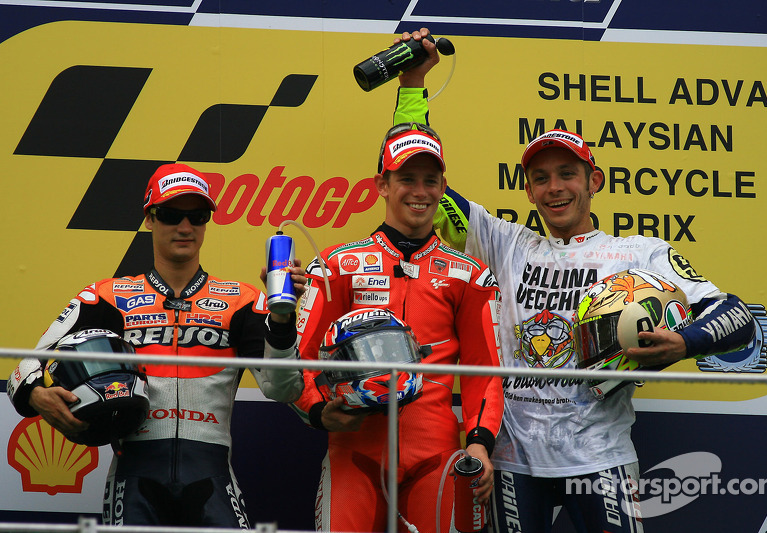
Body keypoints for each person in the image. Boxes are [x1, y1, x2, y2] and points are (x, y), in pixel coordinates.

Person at [393, 29, 756, 533]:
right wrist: (412, 82)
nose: (554, 188)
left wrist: (684, 341)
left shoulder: (638, 252)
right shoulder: (505, 243)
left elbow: (737, 317)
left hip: (601, 456)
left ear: (594, 181)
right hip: (513, 458)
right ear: (528, 191)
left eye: (567, 173)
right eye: (540, 178)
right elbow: (416, 167)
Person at [7, 163, 306, 529]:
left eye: (196, 216)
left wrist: (281, 318)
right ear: (150, 218)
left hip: (212, 475)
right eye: (170, 215)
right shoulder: (106, 296)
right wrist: (37, 394)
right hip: (134, 475)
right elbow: (25, 368)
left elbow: (283, 387)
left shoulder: (243, 301)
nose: (185, 227)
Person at [292, 95, 504, 532]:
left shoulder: (470, 275)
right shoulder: (337, 264)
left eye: (431, 180)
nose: (420, 191)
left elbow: (485, 370)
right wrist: (317, 410)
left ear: (443, 188)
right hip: (355, 446)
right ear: (382, 185)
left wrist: (480, 443)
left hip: (438, 452)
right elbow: (300, 358)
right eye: (407, 178)